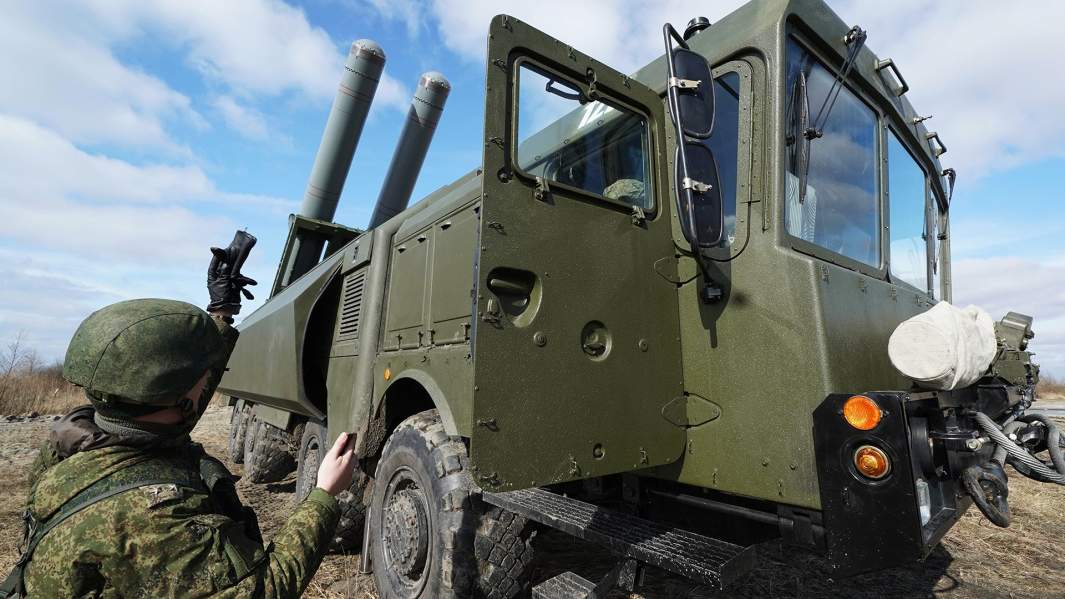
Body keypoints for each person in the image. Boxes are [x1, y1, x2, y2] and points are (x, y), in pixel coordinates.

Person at [1, 240, 354, 598]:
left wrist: (221, 312)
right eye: (201, 374)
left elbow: (179, 402)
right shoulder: (158, 522)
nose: (209, 378)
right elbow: (266, 589)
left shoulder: (73, 445)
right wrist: (324, 494)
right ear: (180, 396)